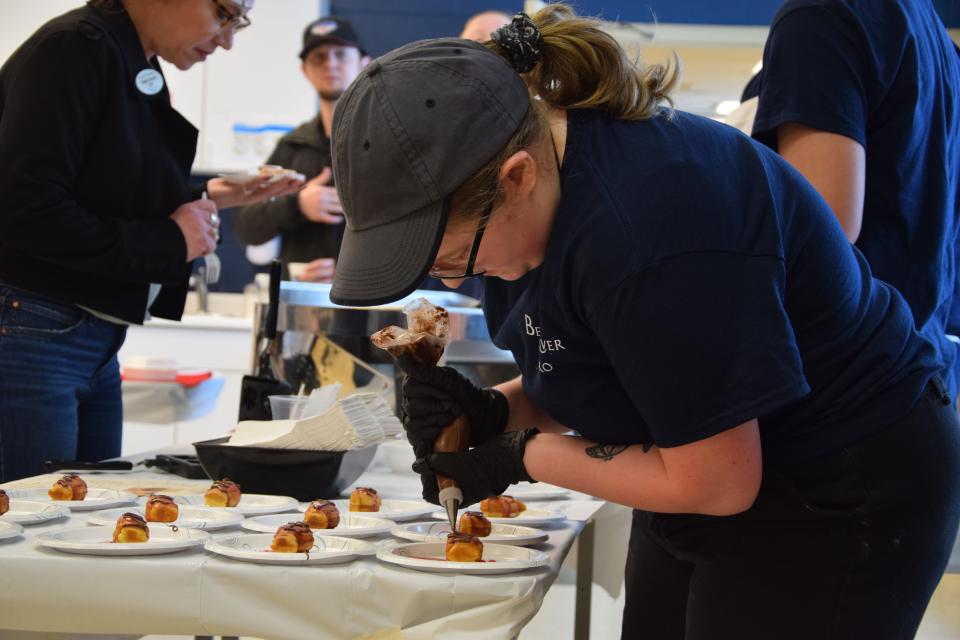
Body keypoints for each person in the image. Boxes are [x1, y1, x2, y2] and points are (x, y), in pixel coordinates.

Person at [327, 7, 960, 639]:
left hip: (839, 479)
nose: (450, 281)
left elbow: (719, 482)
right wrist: (498, 411)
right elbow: (618, 364)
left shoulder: (651, 229)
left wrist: (525, 456)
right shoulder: (532, 200)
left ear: (515, 178)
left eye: (447, 257)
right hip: (710, 452)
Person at [0, 0, 299, 483]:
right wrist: (168, 240)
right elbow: (24, 209)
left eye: (238, 22)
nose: (227, 39)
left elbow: (98, 187)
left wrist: (209, 195)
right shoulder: (74, 48)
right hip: (34, 332)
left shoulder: (129, 58)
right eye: (224, 13)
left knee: (87, 524)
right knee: (29, 527)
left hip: (88, 336)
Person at [746, 0, 960, 399]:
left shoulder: (821, 16)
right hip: (920, 376)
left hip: (851, 390)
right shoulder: (935, 37)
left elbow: (823, 232)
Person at [232, 17, 369, 282]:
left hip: (371, 311)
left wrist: (353, 275)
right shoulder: (293, 147)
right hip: (304, 308)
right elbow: (246, 226)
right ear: (305, 70)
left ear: (365, 64)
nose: (330, 63)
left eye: (340, 54)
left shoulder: (392, 145)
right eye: (318, 57)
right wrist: (298, 204)